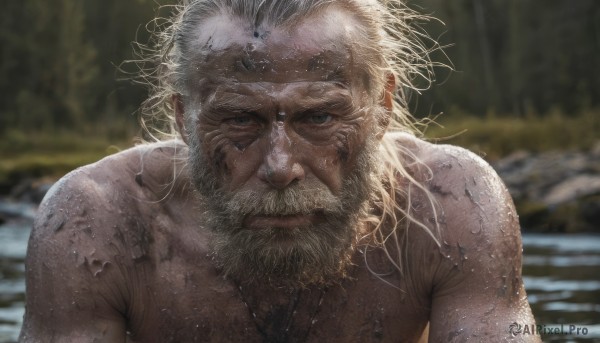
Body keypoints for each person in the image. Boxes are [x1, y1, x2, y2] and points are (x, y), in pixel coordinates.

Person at [20, 0, 540, 342]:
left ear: (382, 105)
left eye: (319, 117)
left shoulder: (452, 203)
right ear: (184, 118)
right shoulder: (97, 222)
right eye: (240, 119)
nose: (280, 166)